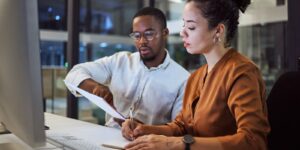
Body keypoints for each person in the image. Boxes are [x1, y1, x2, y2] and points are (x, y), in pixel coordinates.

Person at [121, 0, 270, 149]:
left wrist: (177, 144)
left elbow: (253, 141)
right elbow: (182, 127)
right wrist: (144, 129)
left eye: (191, 27)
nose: (182, 33)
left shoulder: (241, 73)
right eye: (183, 25)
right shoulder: (196, 77)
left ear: (218, 31)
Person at [64, 7, 190, 128]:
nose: (142, 41)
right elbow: (74, 73)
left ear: (165, 33)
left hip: (149, 144)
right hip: (107, 136)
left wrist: (144, 128)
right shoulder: (120, 61)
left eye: (149, 34)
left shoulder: (183, 80)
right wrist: (96, 88)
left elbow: (178, 129)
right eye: (137, 35)